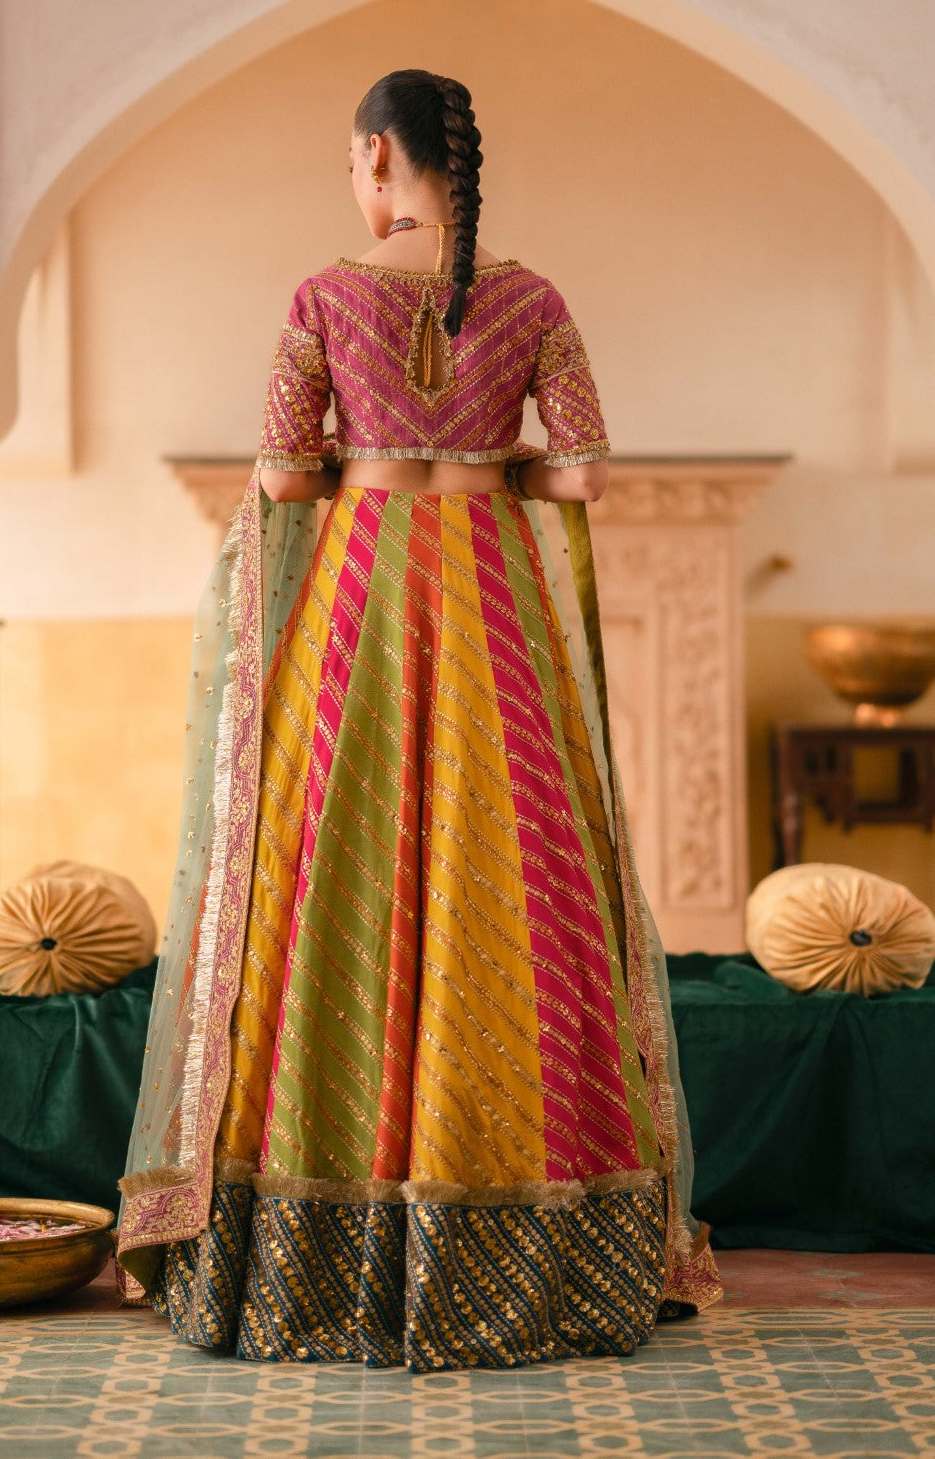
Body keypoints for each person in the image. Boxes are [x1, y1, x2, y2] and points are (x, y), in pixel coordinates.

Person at [116, 68, 721, 1371]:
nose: (353, 182)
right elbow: (581, 474)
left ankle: (314, 1239)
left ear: (379, 158)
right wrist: (486, 462)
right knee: (517, 875)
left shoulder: (323, 296)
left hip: (364, 599)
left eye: (353, 163)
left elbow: (284, 476)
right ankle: (550, 1240)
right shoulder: (534, 297)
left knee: (332, 870)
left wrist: (372, 460)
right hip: (493, 597)